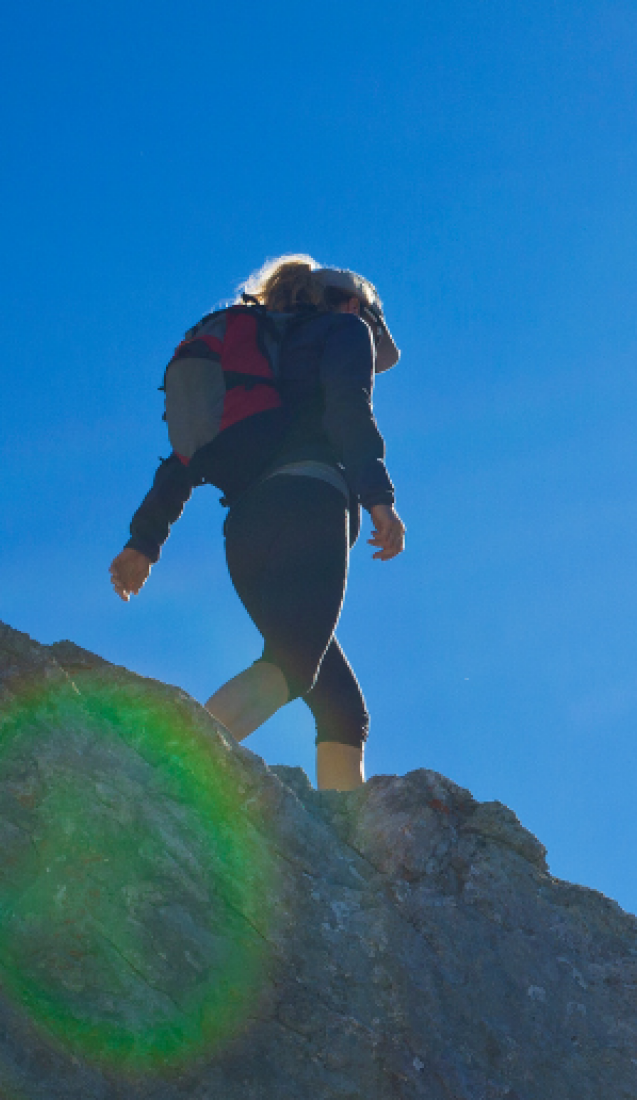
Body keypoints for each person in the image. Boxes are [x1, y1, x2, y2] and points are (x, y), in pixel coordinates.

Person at [107, 255, 407, 791]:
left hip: (246, 532)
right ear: (357, 306)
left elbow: (185, 459)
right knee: (291, 666)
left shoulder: (254, 360)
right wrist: (379, 499)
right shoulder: (345, 329)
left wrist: (143, 543)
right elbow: (348, 408)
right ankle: (167, 771)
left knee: (340, 707)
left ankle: (345, 842)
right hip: (311, 505)